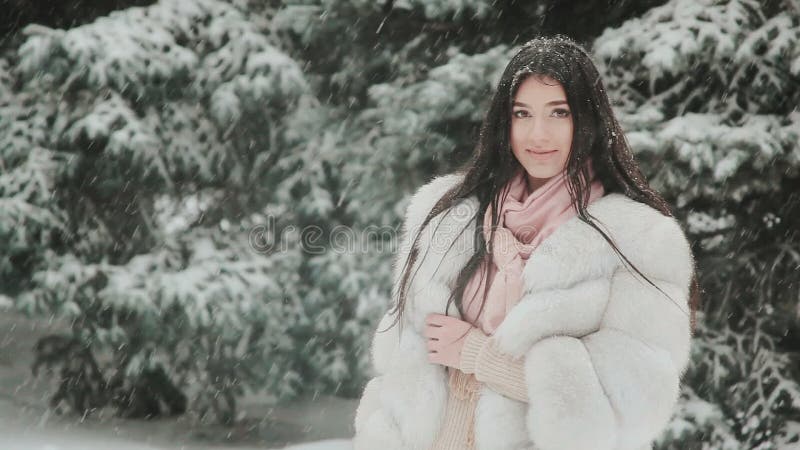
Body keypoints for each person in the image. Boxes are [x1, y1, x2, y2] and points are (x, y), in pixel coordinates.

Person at [353, 35, 699, 450]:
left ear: (586, 121)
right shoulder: (447, 215)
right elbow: (397, 366)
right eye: (522, 113)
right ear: (505, 122)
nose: (538, 133)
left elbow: (630, 409)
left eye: (558, 112)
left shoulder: (638, 239)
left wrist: (480, 356)